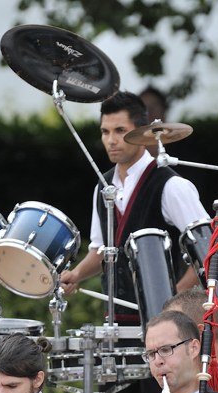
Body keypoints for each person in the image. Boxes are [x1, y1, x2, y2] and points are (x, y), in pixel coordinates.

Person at [59, 90, 204, 324]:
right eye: (105, 132)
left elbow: (208, 250)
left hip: (166, 324)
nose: (111, 140)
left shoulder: (171, 185)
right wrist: (76, 274)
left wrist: (175, 298)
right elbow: (100, 250)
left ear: (141, 132)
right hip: (115, 322)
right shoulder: (103, 185)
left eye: (120, 131)